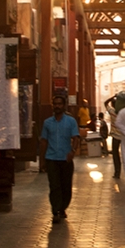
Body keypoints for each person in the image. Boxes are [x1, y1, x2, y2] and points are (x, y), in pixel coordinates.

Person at [39, 95, 80, 223]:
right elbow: (44, 141)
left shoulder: (70, 121)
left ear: (64, 106)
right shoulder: (47, 123)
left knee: (66, 186)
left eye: (60, 104)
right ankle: (55, 210)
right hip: (51, 158)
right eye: (55, 104)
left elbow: (76, 138)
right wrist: (42, 160)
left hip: (65, 159)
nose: (57, 106)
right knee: (54, 185)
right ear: (53, 105)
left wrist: (72, 151)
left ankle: (63, 207)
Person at [105, 96, 122, 178]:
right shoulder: (123, 112)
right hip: (124, 136)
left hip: (115, 137)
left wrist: (112, 97)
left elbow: (105, 103)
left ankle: (117, 173)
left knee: (115, 154)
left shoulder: (112, 111)